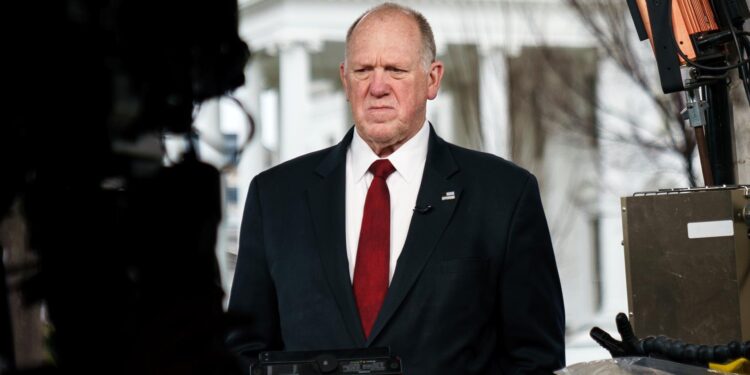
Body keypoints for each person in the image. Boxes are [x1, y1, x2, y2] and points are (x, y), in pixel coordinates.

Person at [227, 3, 565, 374]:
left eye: (396, 70)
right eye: (363, 70)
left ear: (432, 79)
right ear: (344, 79)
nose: (377, 87)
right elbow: (245, 351)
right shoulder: (275, 198)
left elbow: (535, 359)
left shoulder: (505, 196)